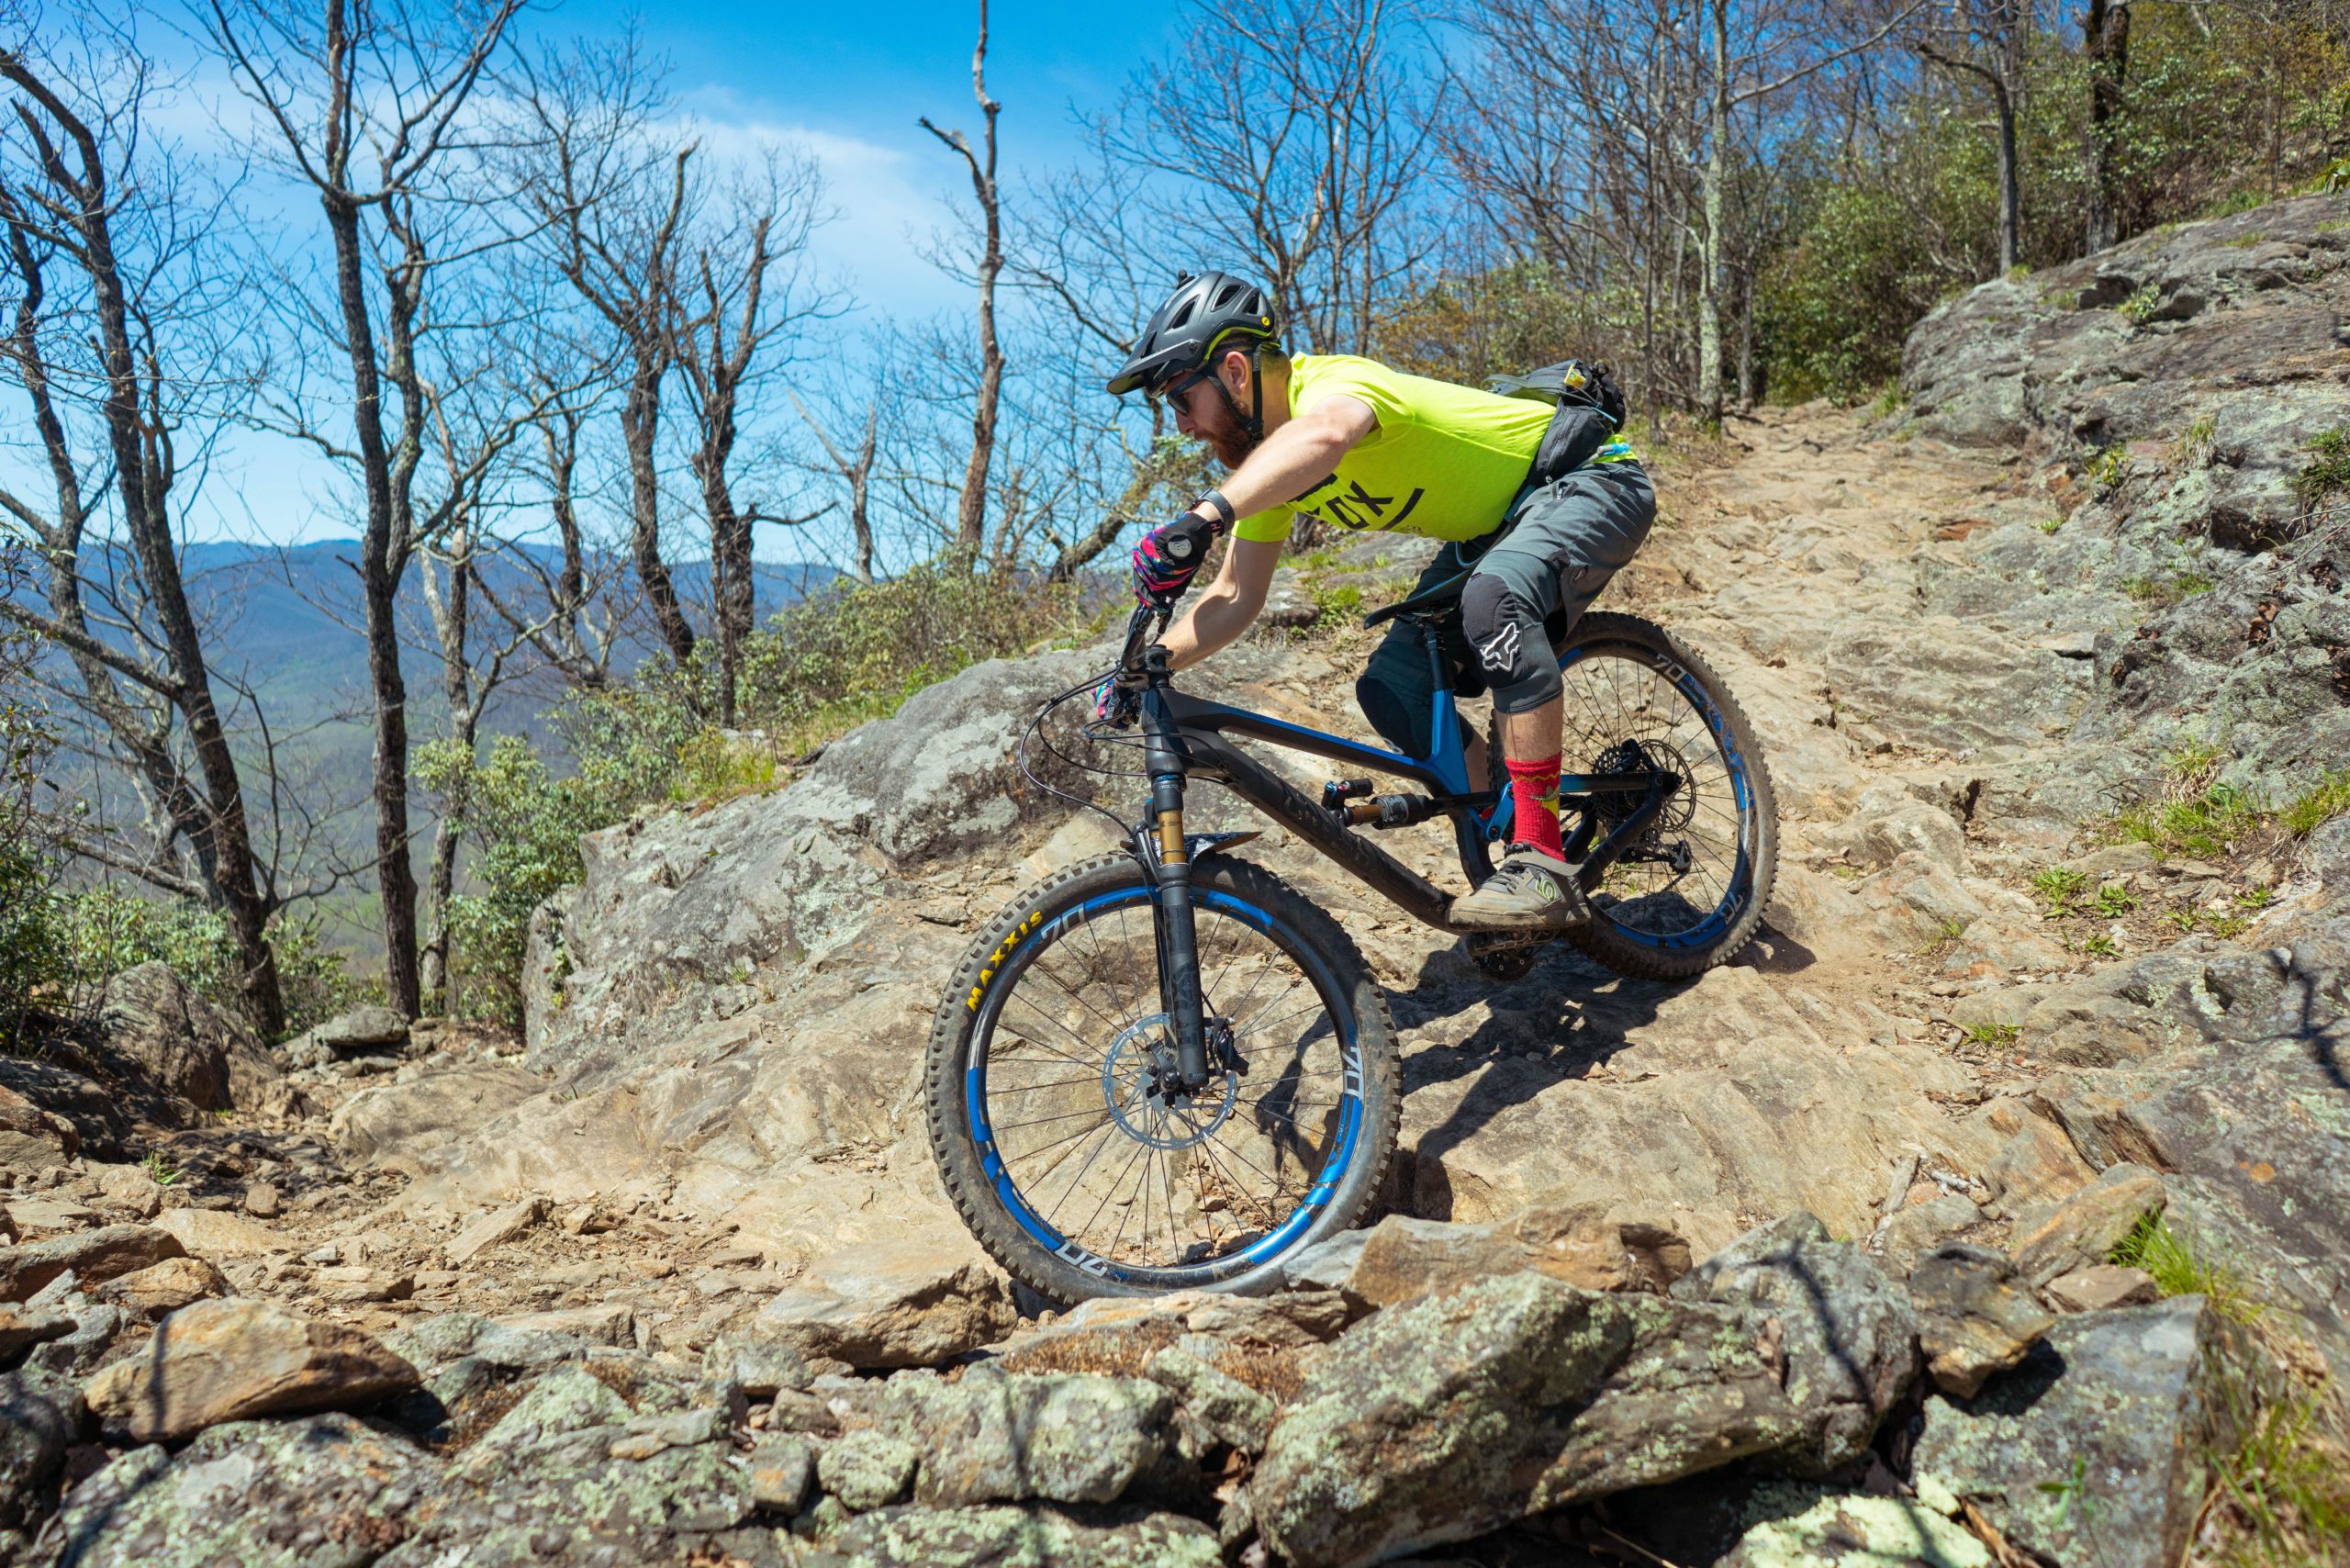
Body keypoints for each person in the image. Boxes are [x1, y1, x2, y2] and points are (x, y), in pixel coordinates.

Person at [1107, 272, 1656, 930]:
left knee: (1495, 598)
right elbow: (1233, 595)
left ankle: (1539, 860)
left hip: (1588, 478)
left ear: (1233, 369)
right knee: (1391, 688)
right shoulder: (1269, 467)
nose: (1182, 424)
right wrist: (1141, 667)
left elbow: (1330, 435)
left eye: (1181, 398)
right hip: (1495, 529)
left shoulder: (1333, 385)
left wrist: (1204, 517)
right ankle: (1508, 815)